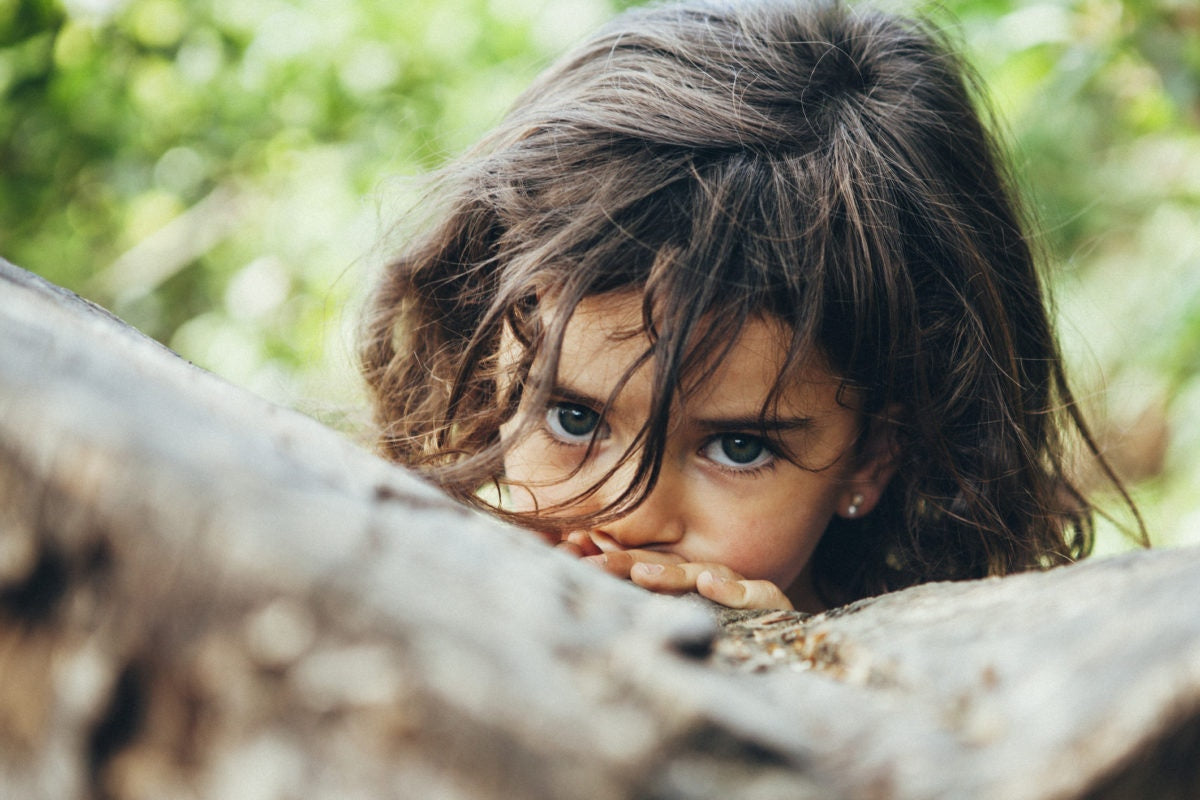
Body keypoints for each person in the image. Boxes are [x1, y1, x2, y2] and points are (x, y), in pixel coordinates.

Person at [358, 0, 1143, 612]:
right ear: (494, 359)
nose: (629, 519)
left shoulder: (951, 706)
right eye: (572, 417)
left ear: (874, 455)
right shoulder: (408, 594)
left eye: (738, 447)